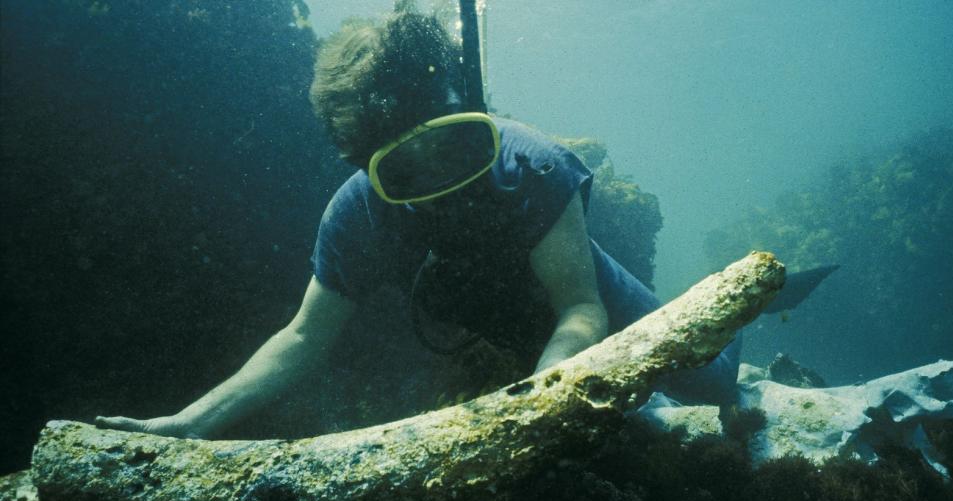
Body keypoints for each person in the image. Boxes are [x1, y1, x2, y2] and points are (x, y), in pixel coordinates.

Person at [96, 11, 740, 439]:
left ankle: (749, 332)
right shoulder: (356, 215)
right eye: (405, 169)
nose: (435, 183)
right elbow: (300, 341)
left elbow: (578, 306)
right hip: (528, 356)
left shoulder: (533, 165)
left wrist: (543, 399)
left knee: (716, 383)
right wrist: (185, 423)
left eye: (451, 148)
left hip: (614, 321)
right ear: (362, 162)